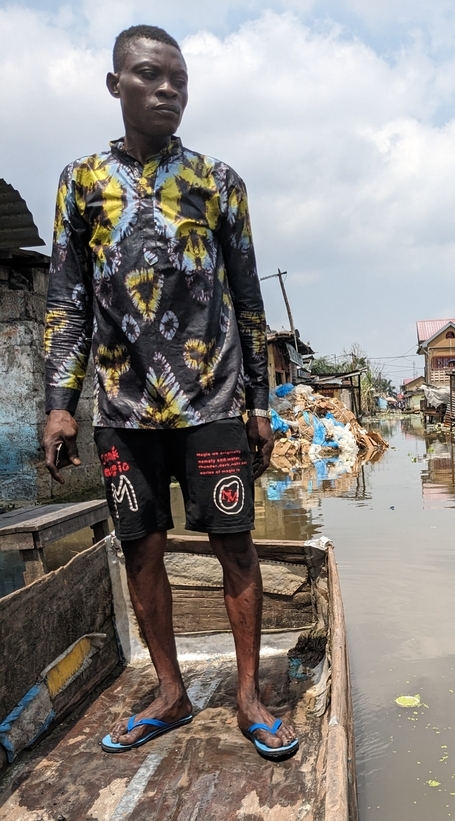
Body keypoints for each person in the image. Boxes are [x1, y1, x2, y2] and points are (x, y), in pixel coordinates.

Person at [41, 24, 298, 760]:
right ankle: (170, 692)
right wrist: (62, 401)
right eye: (151, 76)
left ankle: (248, 697)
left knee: (236, 547)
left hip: (213, 403)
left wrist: (260, 402)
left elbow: (249, 300)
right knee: (140, 551)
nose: (167, 91)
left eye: (179, 80)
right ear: (116, 84)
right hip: (122, 411)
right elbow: (67, 303)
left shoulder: (218, 183)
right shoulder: (80, 181)